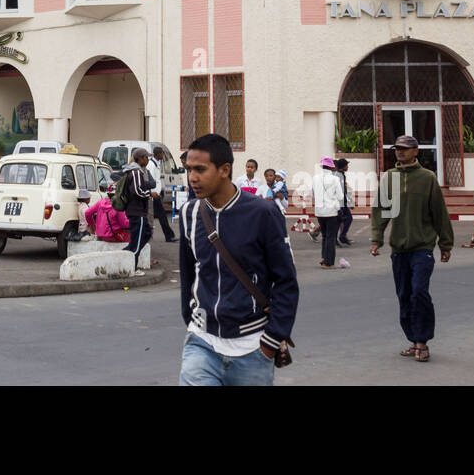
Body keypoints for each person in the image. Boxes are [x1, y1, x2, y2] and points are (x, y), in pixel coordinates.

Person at [178, 133, 298, 386]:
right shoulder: (189, 213)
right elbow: (189, 272)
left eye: (200, 169)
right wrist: (191, 320)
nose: (192, 178)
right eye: (189, 169)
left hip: (252, 347)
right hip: (202, 342)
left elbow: (286, 280)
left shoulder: (263, 214)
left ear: (224, 170)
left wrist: (271, 340)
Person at [370, 135, 453, 363]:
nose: (400, 152)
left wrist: (445, 243)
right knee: (404, 295)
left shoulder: (427, 178)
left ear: (416, 151)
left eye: (405, 149)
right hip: (399, 248)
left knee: (419, 292)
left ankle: (422, 341)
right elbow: (382, 211)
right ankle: (413, 338)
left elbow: (439, 213)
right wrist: (376, 239)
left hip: (422, 247)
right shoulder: (390, 178)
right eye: (397, 149)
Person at [121, 148, 161, 271]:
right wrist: (150, 194)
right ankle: (132, 267)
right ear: (141, 158)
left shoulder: (134, 171)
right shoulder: (136, 172)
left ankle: (128, 251)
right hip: (137, 211)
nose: (148, 160)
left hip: (137, 211)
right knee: (137, 242)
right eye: (146, 157)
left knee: (147, 233)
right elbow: (136, 191)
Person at [312, 156, 344, 268]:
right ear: (332, 167)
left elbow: (313, 194)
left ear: (322, 166)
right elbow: (340, 196)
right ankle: (328, 263)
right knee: (331, 237)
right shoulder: (335, 179)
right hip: (331, 211)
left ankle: (324, 257)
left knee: (325, 236)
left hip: (319, 211)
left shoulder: (315, 178)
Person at [335, 157, 354, 246]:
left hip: (343, 202)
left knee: (342, 220)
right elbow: (340, 191)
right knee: (340, 220)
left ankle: (342, 236)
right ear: (343, 166)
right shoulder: (338, 176)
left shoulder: (341, 174)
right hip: (340, 203)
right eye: (346, 165)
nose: (348, 167)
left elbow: (344, 190)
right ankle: (341, 237)